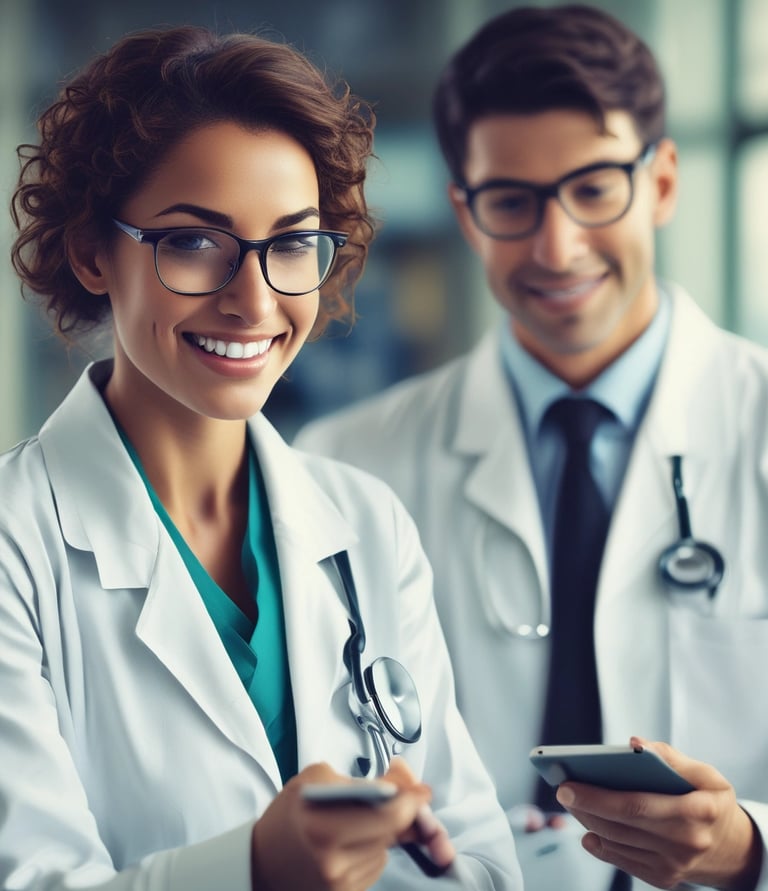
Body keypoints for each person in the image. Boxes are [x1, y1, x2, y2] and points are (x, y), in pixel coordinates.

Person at [0, 24, 523, 891]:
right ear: (93, 251)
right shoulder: (18, 541)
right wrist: (251, 869)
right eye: (196, 242)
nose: (253, 301)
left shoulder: (366, 524)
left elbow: (483, 863)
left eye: (290, 244)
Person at [295, 5, 768, 891]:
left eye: (595, 188)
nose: (558, 246)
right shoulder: (344, 467)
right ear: (465, 214)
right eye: (512, 201)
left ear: (663, 182)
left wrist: (749, 846)